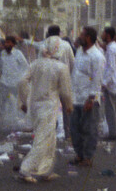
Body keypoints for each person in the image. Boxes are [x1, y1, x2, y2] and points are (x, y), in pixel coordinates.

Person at [17, 36, 74, 182]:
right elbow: (66, 92)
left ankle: (45, 170)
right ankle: (26, 169)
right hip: (49, 106)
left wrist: (25, 100)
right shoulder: (62, 68)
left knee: (50, 138)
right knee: (43, 139)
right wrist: (69, 106)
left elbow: (22, 81)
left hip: (36, 105)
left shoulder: (36, 64)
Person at [69, 26, 105, 167]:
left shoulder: (97, 56)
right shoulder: (79, 52)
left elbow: (97, 80)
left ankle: (88, 157)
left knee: (89, 129)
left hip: (88, 99)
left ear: (89, 37)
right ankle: (79, 154)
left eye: (82, 35)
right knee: (75, 128)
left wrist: (91, 99)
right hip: (76, 97)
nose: (80, 37)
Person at [0, 35, 30, 132]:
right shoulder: (2, 54)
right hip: (4, 82)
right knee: (1, 102)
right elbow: (3, 66)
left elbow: (25, 67)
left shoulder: (18, 54)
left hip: (16, 83)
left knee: (20, 104)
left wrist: (22, 79)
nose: (6, 44)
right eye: (6, 42)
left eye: (9, 42)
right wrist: (0, 74)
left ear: (13, 44)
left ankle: (27, 121)